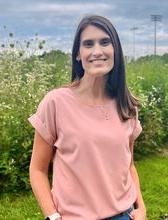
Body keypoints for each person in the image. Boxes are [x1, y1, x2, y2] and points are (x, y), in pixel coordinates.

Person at [28, 15, 147, 220]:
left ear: (115, 50)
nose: (97, 51)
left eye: (105, 42)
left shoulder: (127, 106)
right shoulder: (55, 102)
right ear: (78, 54)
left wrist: (141, 208)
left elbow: (128, 164)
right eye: (88, 44)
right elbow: (37, 169)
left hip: (124, 215)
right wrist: (53, 216)